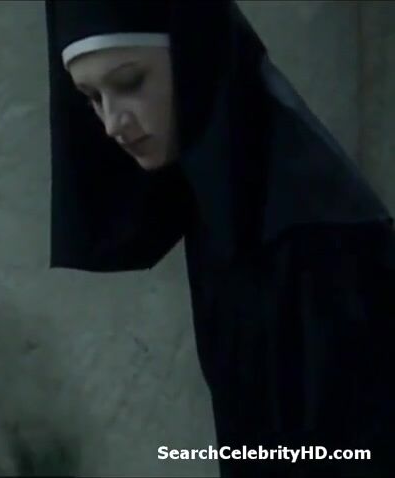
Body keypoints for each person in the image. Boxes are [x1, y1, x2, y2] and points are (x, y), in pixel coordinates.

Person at [44, 1, 395, 476]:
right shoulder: (223, 203)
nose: (112, 123)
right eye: (91, 96)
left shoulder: (320, 234)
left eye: (130, 82)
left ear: (196, 55)